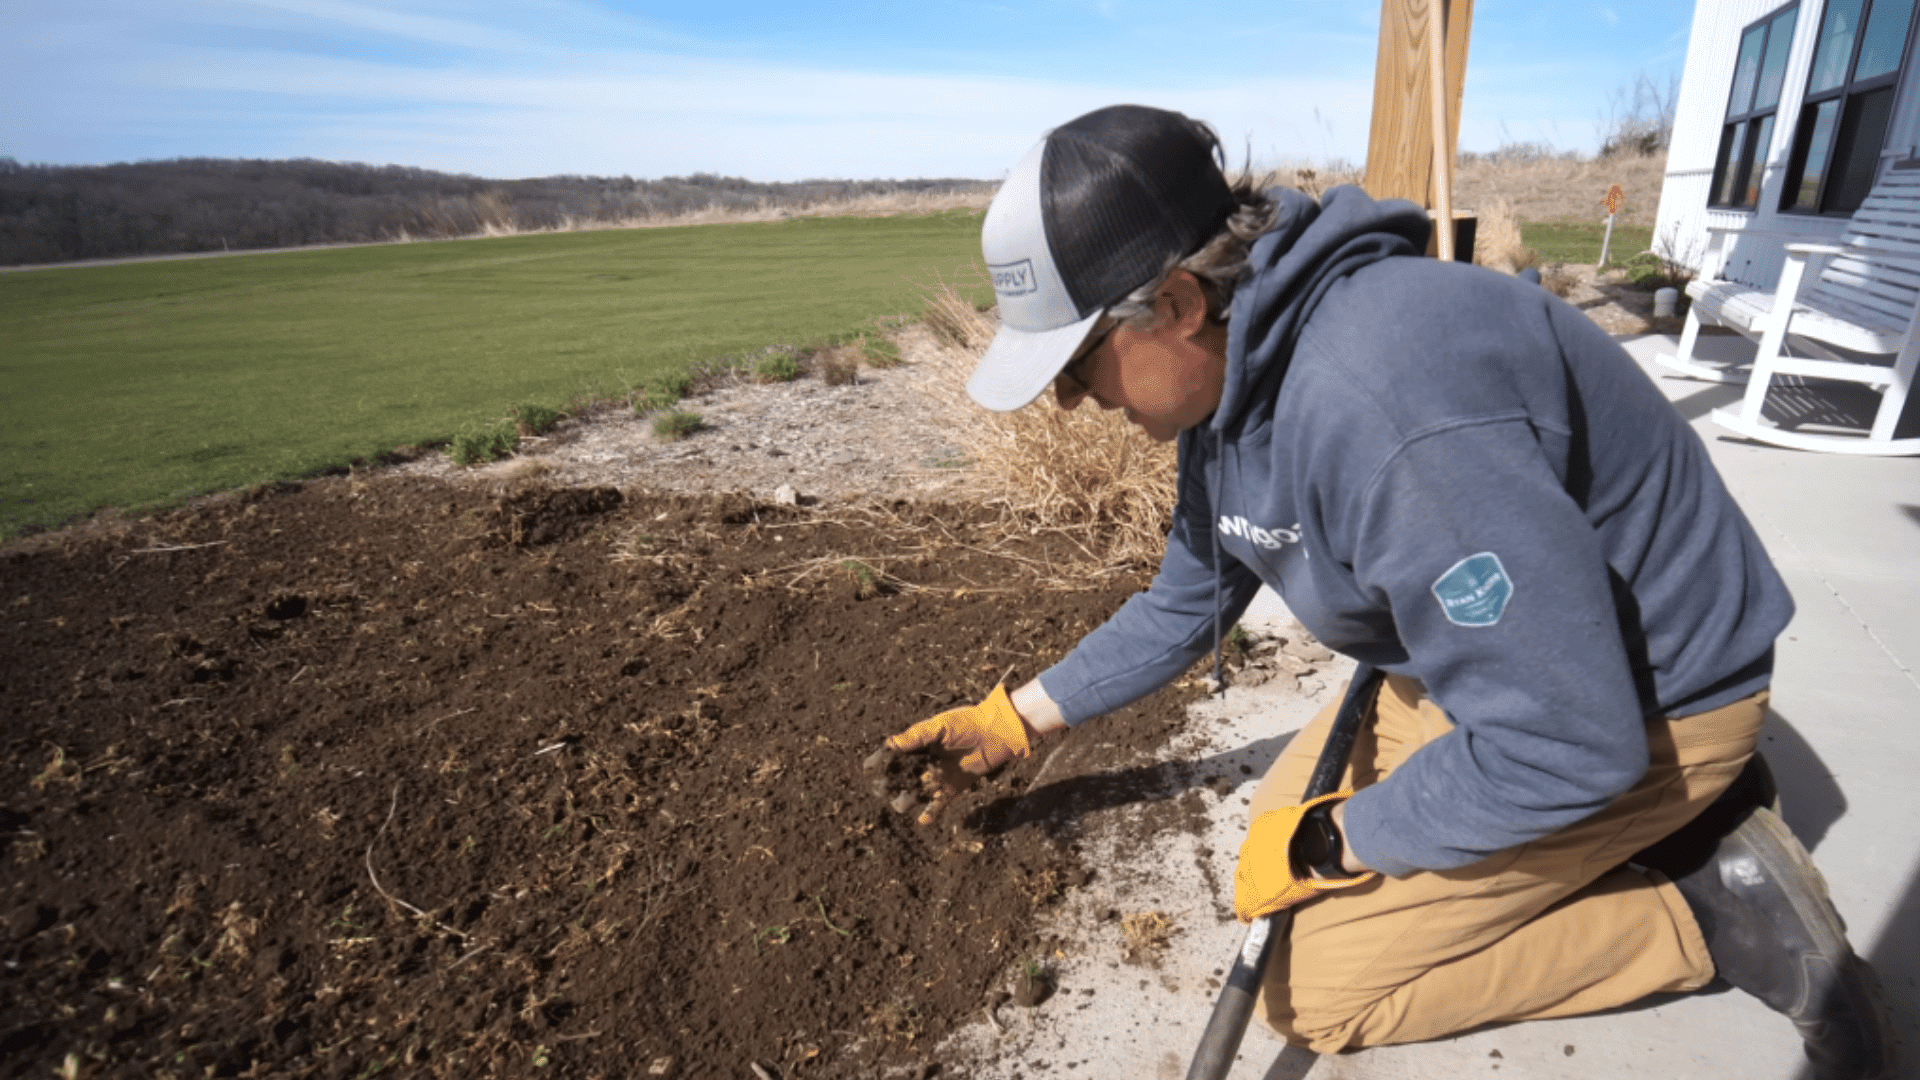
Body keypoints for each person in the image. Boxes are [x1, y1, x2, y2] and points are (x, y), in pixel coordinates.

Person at [882, 105, 1894, 1079]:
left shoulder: (1390, 410)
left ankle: (1701, 912)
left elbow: (1565, 738)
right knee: (1270, 867)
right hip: (1501, 677)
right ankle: (1632, 830)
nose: (1073, 399)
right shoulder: (1234, 376)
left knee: (1308, 988)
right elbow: (1188, 601)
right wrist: (1016, 721)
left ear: (1181, 303)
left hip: (1643, 703)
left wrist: (1337, 841)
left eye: (1074, 364)